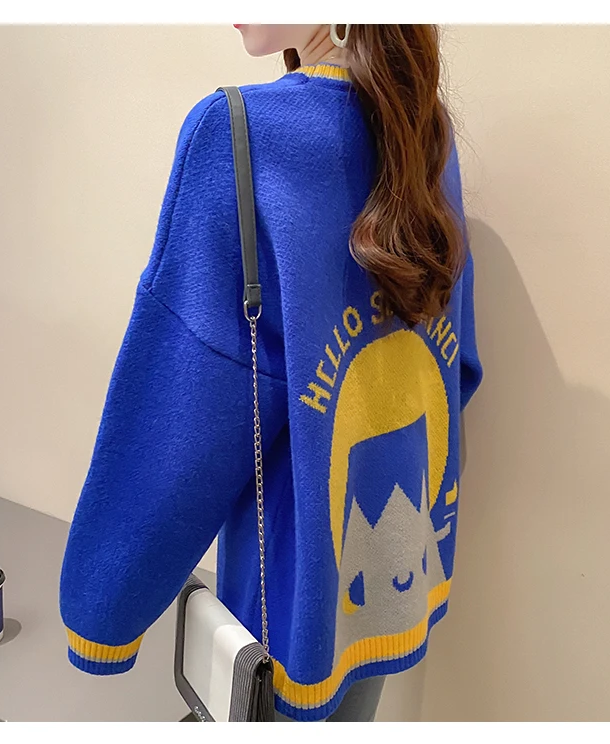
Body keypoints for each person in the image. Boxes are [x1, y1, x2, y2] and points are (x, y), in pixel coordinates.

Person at [59, 24, 483, 723]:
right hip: (401, 579)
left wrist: (104, 606)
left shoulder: (237, 135)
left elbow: (183, 412)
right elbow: (454, 361)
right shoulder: (420, 121)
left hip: (291, 607)